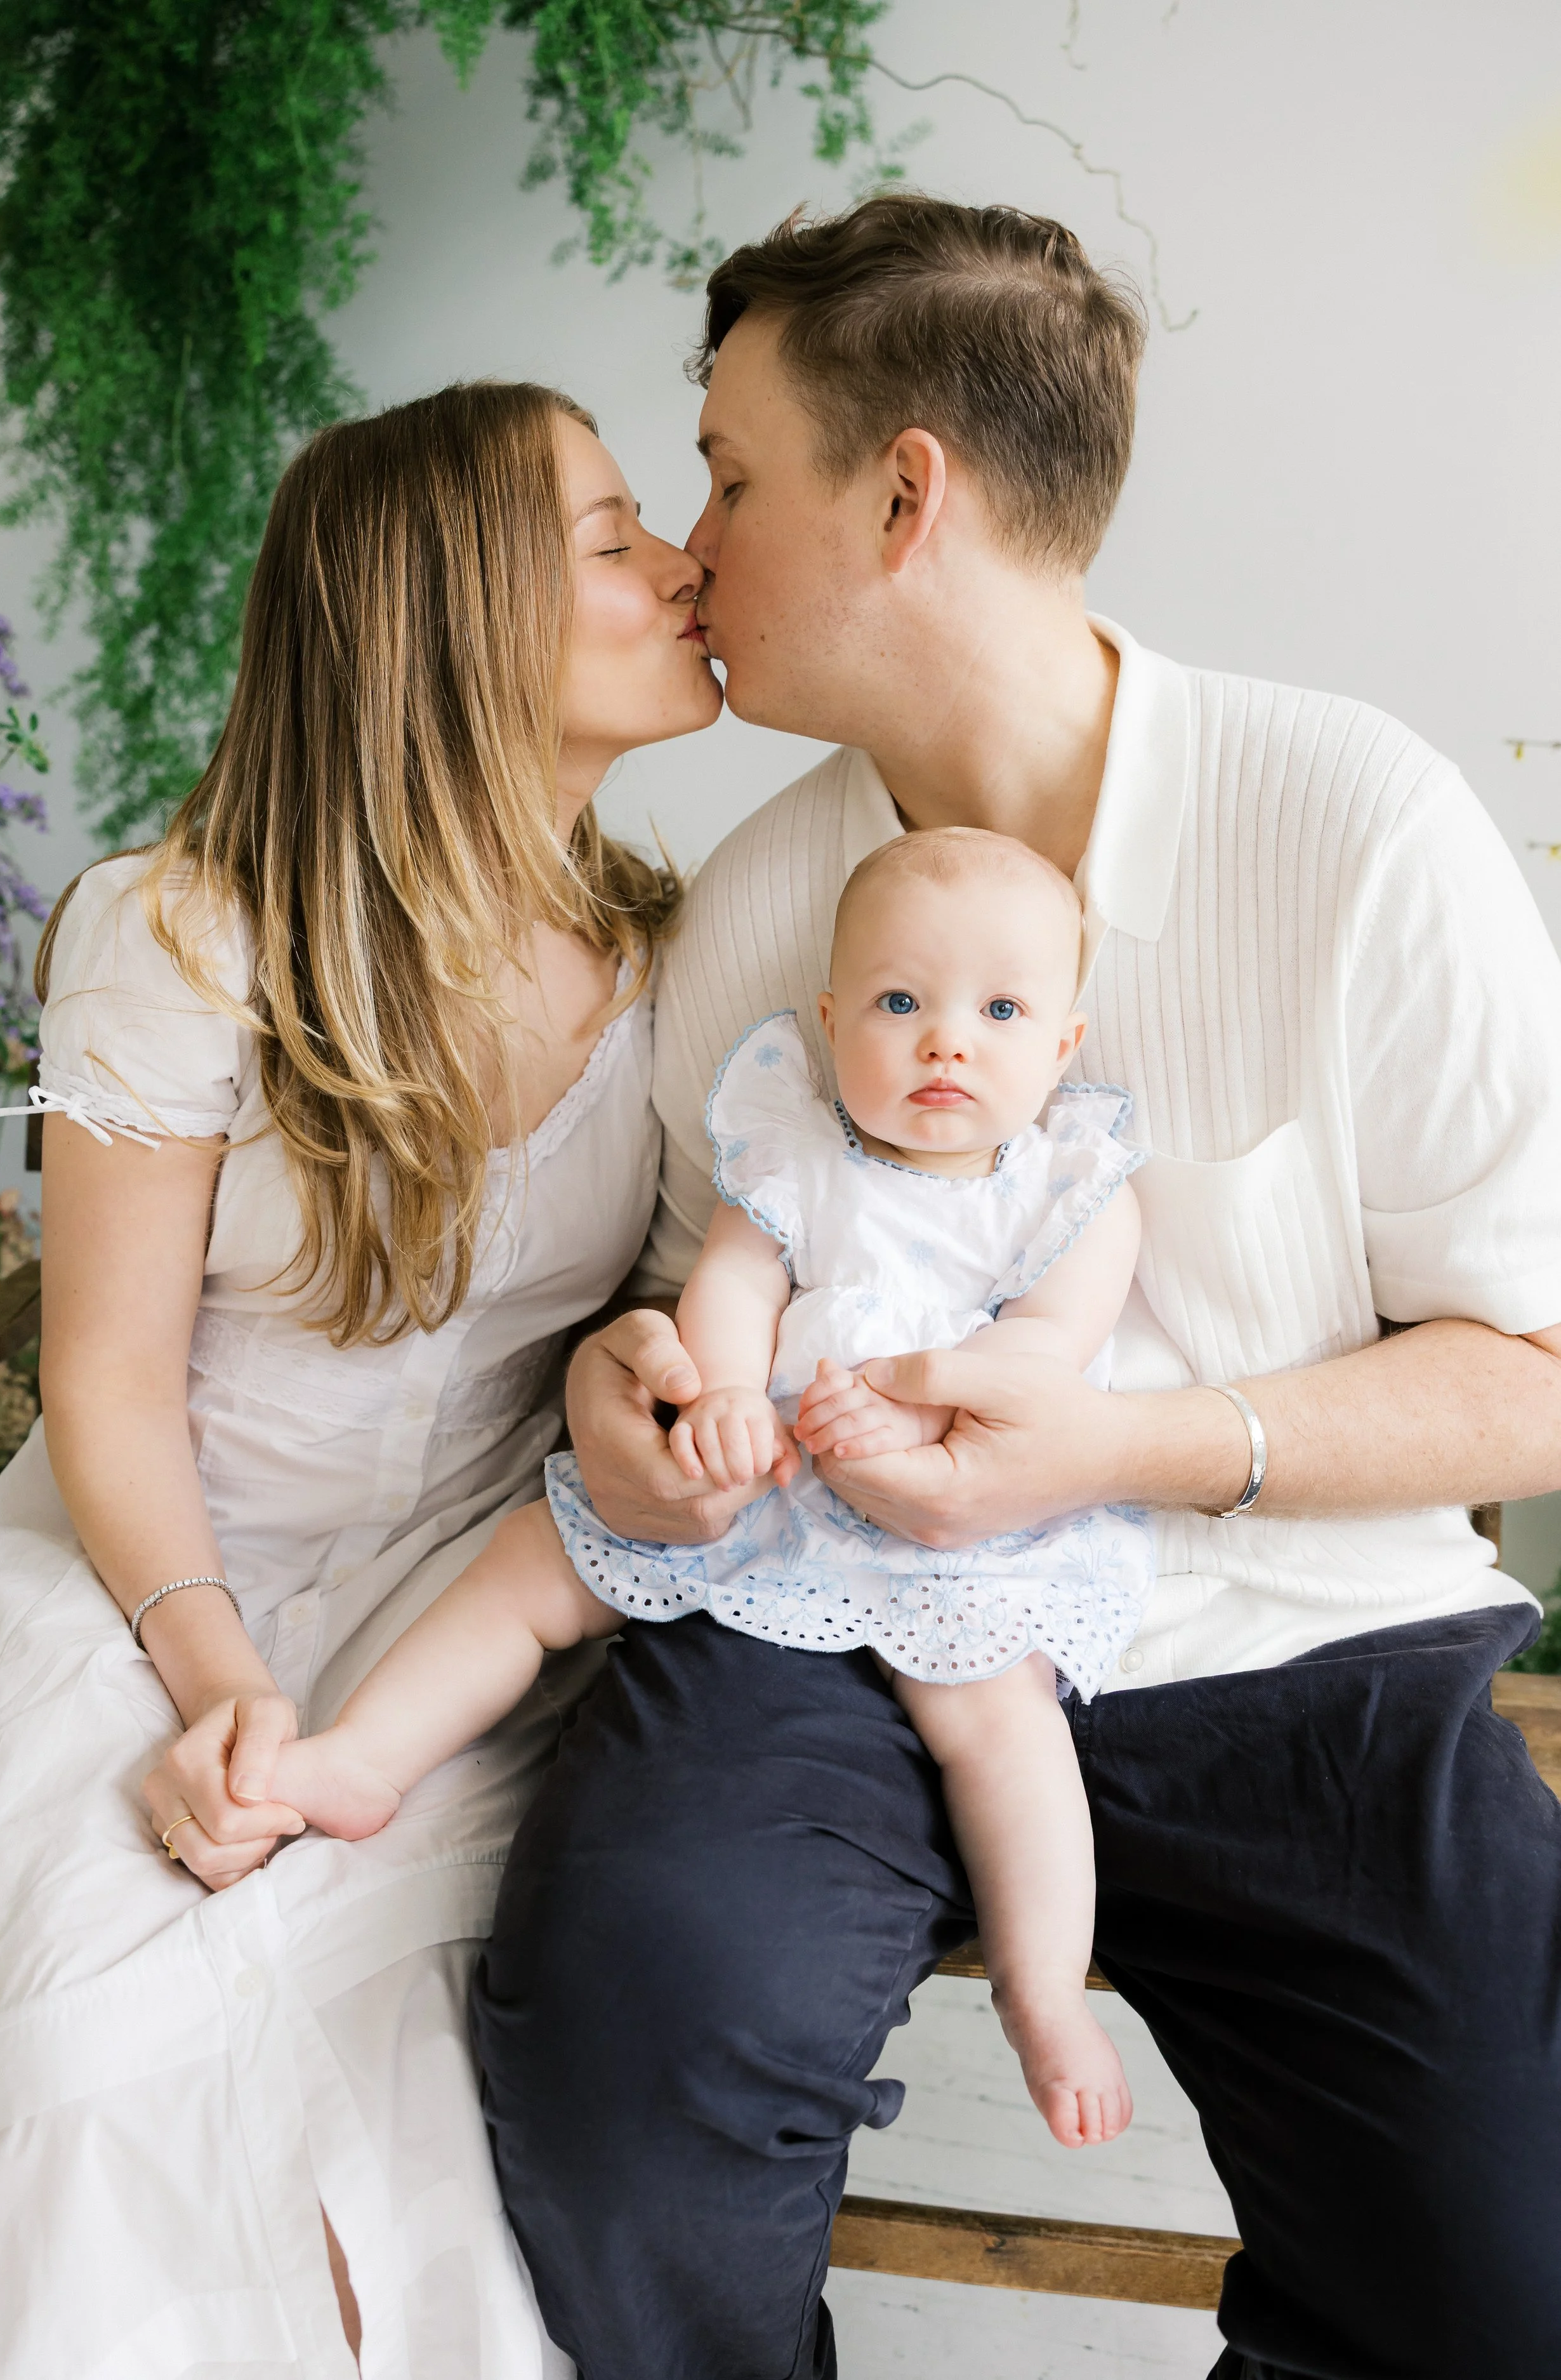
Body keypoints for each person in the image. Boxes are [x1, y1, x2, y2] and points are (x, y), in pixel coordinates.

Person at [472, 198, 1561, 2380]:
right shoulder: (762, 910)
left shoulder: (1354, 823)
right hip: (830, 1632)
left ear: (903, 496)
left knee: (1516, 2273)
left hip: (1306, 1648)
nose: (690, 548)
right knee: (626, 2027)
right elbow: (706, 1294)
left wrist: (1141, 1445)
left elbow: (1537, 1368)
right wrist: (633, 1385)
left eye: (728, 472)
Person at [0, 380, 721, 2379]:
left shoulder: (675, 958)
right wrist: (219, 1682)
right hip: (146, 1571)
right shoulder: (180, 931)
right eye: (614, 532)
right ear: (454, 610)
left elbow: (654, 1321)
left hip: (460, 1613)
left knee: (393, 2057)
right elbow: (107, 1389)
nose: (686, 567)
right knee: (90, 2038)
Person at [259, 824, 1150, 2150]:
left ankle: (1041, 1994)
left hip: (950, 1511)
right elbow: (731, 1284)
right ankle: (359, 1758)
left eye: (999, 1011)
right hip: (771, 1480)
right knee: (534, 1561)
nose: (943, 1043)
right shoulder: (796, 1142)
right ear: (831, 1016)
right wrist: (726, 1392)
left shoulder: (1064, 1184)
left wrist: (924, 1387)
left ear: (1062, 1046)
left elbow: (1046, 1350)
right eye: (900, 1003)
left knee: (998, 1724)